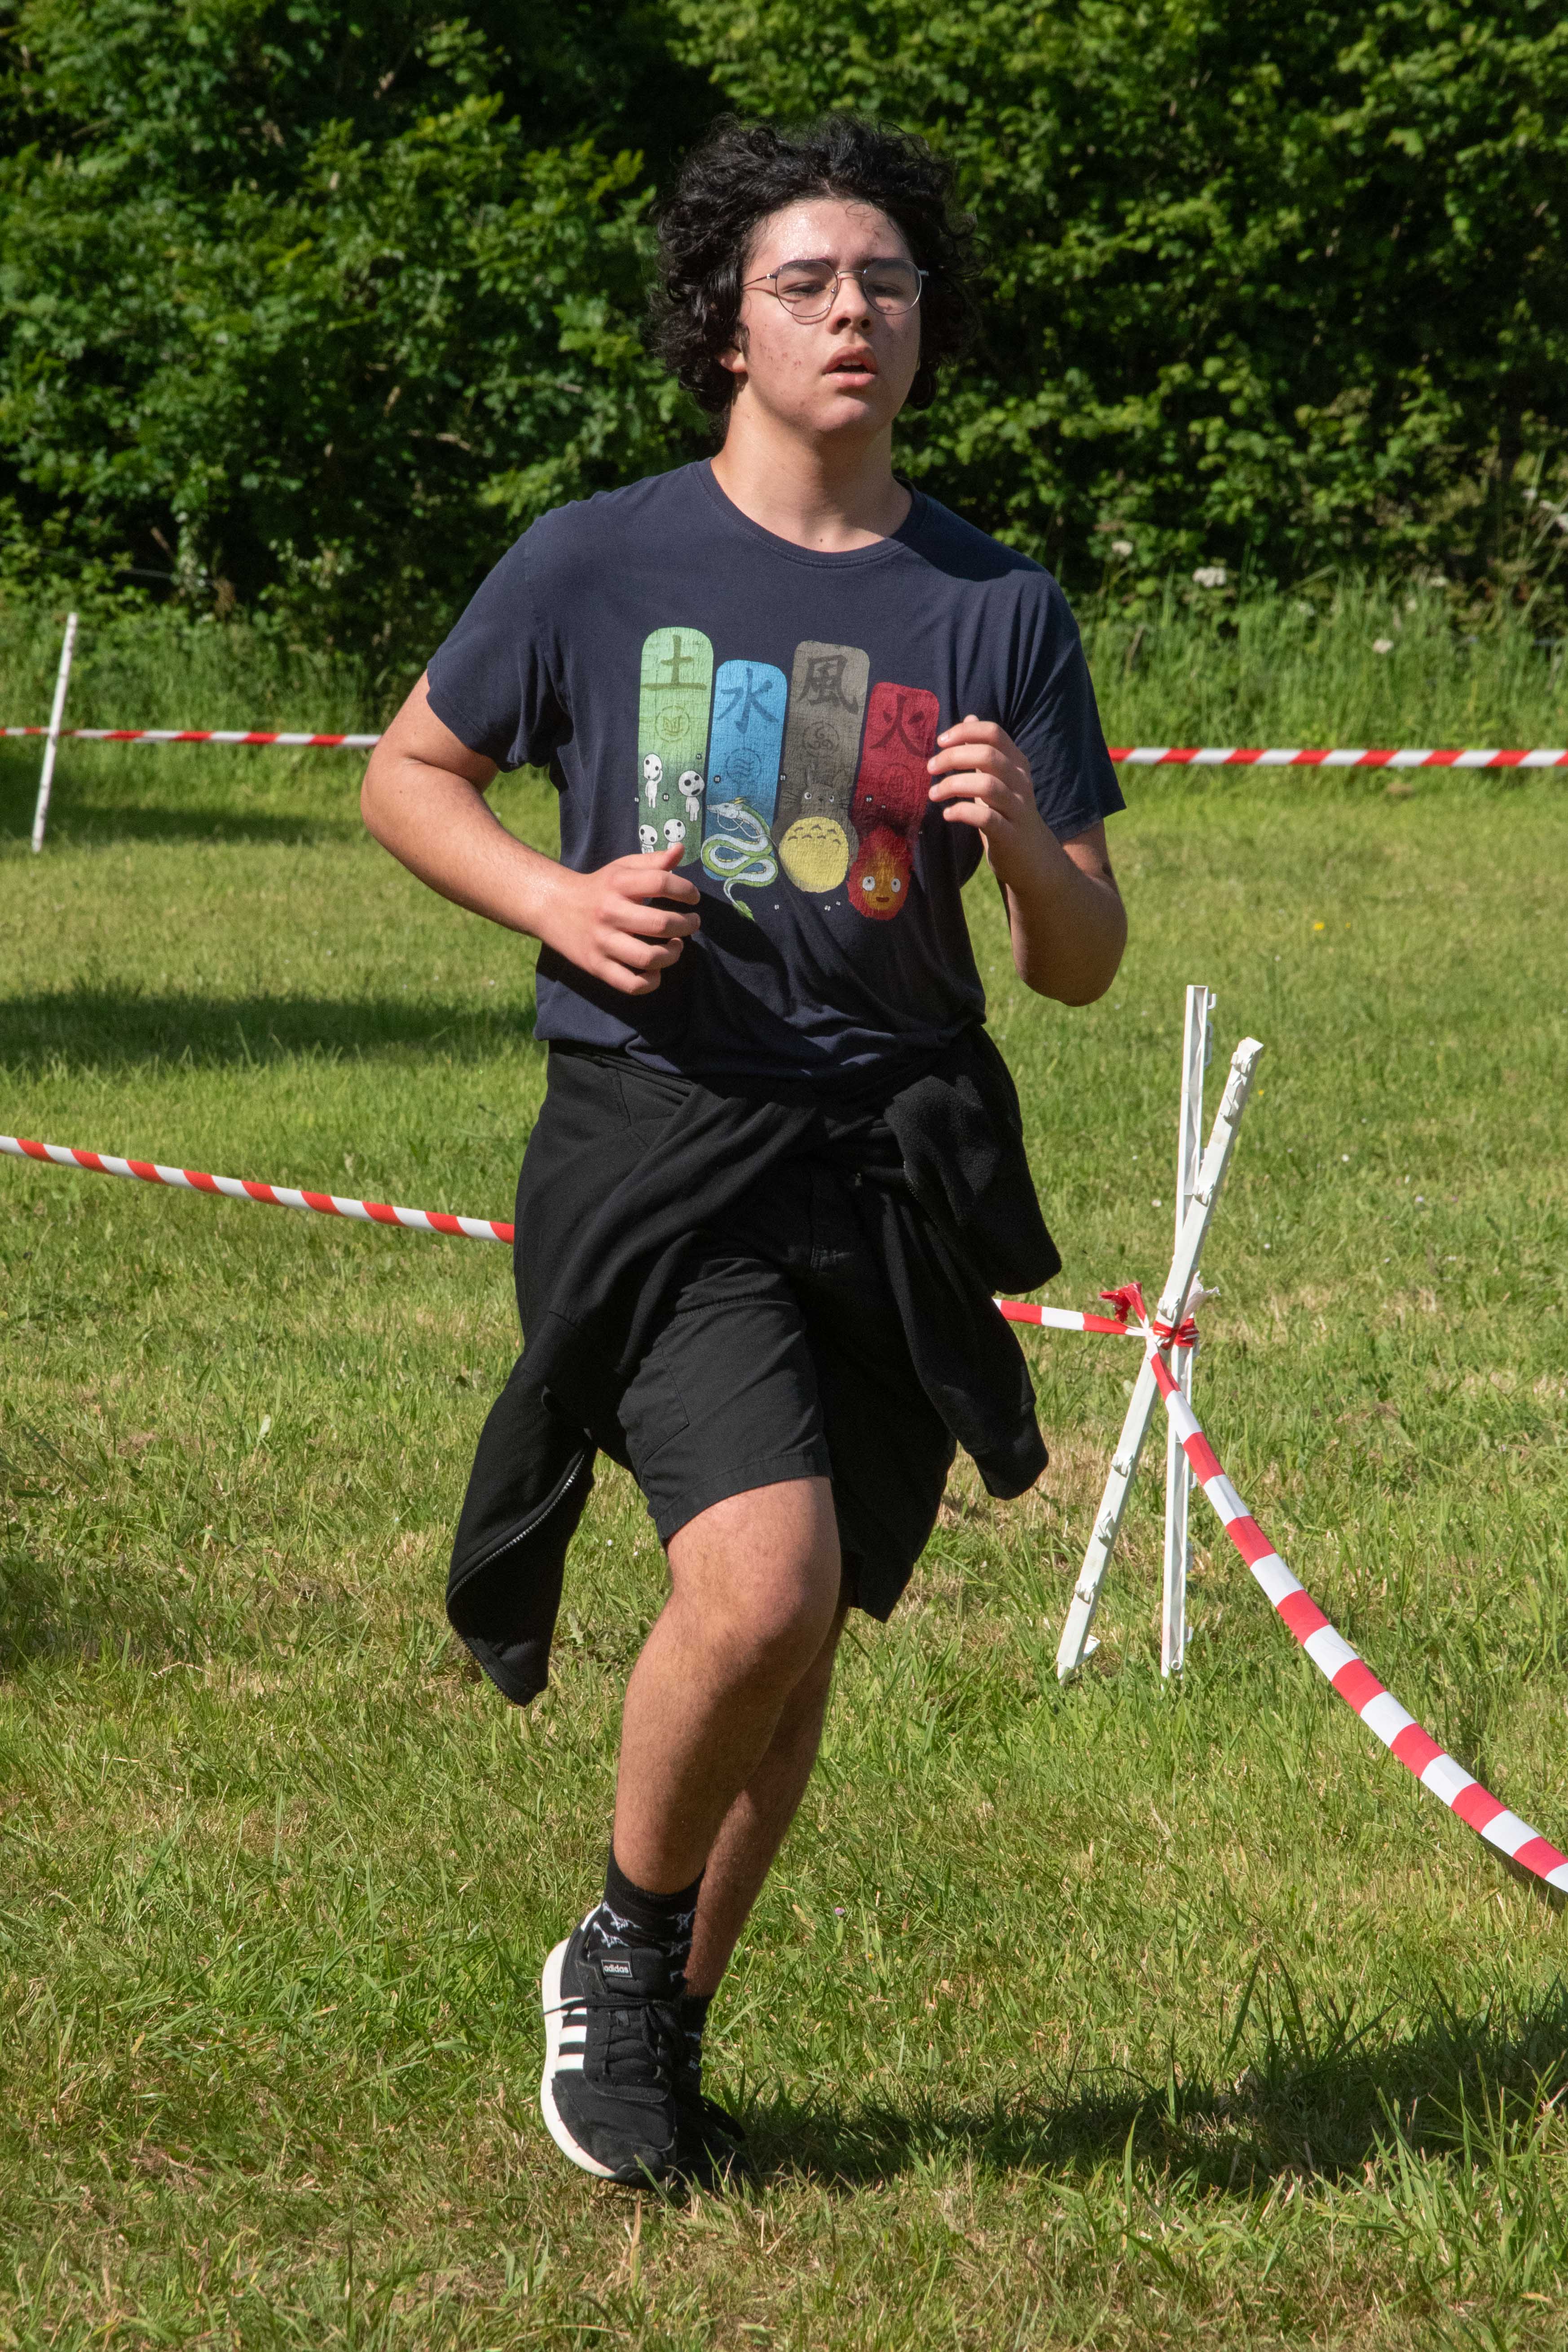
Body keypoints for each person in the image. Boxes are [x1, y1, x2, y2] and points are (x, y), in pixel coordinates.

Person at [361, 112, 1127, 2188]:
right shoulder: (596, 560)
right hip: (658, 1130)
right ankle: (619, 1948)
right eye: (806, 282)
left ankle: (663, 2038)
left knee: (799, 1638)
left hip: (891, 1158)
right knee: (765, 1572)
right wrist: (553, 897)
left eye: (887, 281)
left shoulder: (998, 601)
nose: (853, 312)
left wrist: (1027, 843)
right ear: (727, 325)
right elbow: (410, 772)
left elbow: (1080, 961)